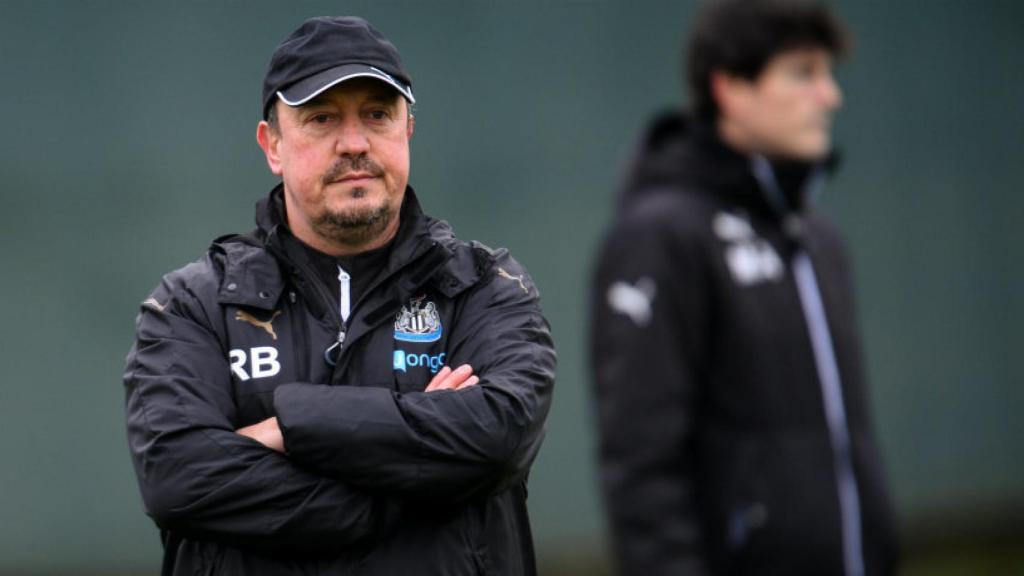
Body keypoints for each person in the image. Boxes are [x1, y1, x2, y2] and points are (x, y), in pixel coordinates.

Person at [124, 16, 555, 576]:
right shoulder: (193, 305)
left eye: (377, 115)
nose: (354, 143)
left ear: (408, 130)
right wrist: (411, 487)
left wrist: (289, 425)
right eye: (321, 118)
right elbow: (178, 479)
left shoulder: (485, 288)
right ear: (273, 145)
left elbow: (498, 435)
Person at [590, 1, 897, 574]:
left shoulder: (817, 237)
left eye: (827, 74)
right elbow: (642, 464)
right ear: (729, 86)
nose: (830, 96)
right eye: (803, 73)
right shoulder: (661, 236)